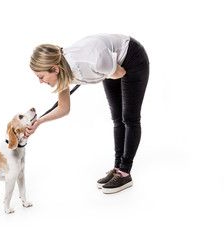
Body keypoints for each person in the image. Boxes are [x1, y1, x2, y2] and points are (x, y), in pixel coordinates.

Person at [26, 33, 149, 194]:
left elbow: (119, 73)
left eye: (41, 77)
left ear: (55, 69)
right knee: (117, 118)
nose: (40, 81)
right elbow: (64, 108)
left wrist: (93, 74)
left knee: (129, 118)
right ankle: (118, 168)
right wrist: (39, 122)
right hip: (109, 63)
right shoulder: (63, 70)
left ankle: (125, 172)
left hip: (132, 58)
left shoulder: (93, 61)